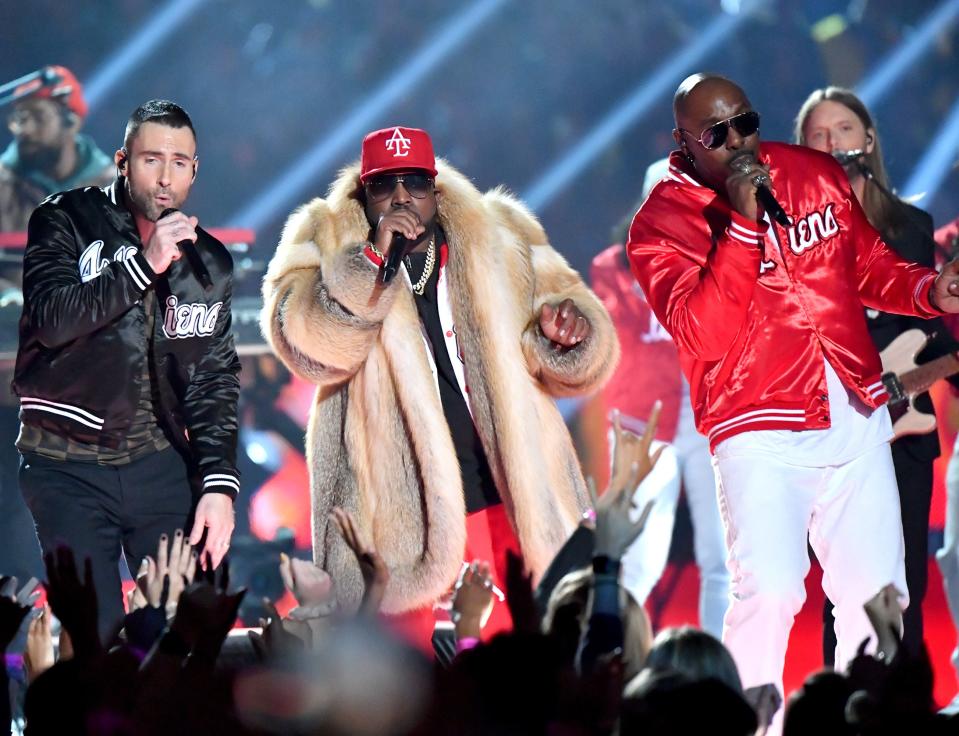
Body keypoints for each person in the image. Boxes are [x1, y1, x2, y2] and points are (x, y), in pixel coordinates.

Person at [626, 73, 959, 732]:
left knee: (876, 596)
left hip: (851, 407)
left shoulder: (807, 172)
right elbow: (703, 332)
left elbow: (864, 268)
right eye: (715, 135)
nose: (738, 143)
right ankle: (749, 726)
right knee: (770, 592)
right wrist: (744, 226)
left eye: (744, 123)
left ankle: (875, 721)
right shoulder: (661, 223)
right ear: (683, 142)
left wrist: (929, 291)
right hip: (756, 425)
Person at [261, 125, 618, 648]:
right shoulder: (324, 241)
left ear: (436, 189)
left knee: (529, 675)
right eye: (386, 186)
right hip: (400, 522)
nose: (403, 197)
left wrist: (571, 333)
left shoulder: (500, 236)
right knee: (421, 695)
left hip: (515, 500)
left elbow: (578, 343)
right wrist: (371, 265)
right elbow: (311, 349)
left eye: (416, 183)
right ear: (364, 194)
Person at [13, 99, 241, 640]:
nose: (165, 178)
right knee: (96, 636)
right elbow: (50, 319)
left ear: (194, 169)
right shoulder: (63, 218)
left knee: (182, 630)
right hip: (66, 462)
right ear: (122, 161)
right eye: (151, 160)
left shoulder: (209, 263)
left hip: (158, 461)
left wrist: (218, 484)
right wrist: (143, 264)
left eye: (179, 162)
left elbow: (214, 378)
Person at [794, 86, 959, 664]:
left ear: (868, 139)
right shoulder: (789, 230)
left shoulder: (913, 226)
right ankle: (838, 699)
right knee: (839, 581)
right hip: (831, 424)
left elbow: (929, 325)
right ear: (800, 149)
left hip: (902, 423)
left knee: (905, 573)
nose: (832, 141)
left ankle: (903, 698)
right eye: (818, 133)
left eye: (843, 128)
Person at [591, 158, 729, 639]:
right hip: (642, 424)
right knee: (640, 560)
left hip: (712, 417)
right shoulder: (614, 268)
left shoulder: (726, 260)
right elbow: (623, 345)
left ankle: (720, 674)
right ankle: (619, 663)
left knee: (723, 560)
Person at [0, 65, 115, 610]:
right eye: (15, 117)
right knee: (18, 512)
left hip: (95, 386)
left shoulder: (115, 188)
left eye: (34, 116)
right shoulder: (1, 184)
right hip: (13, 387)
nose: (20, 128)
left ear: (71, 118)